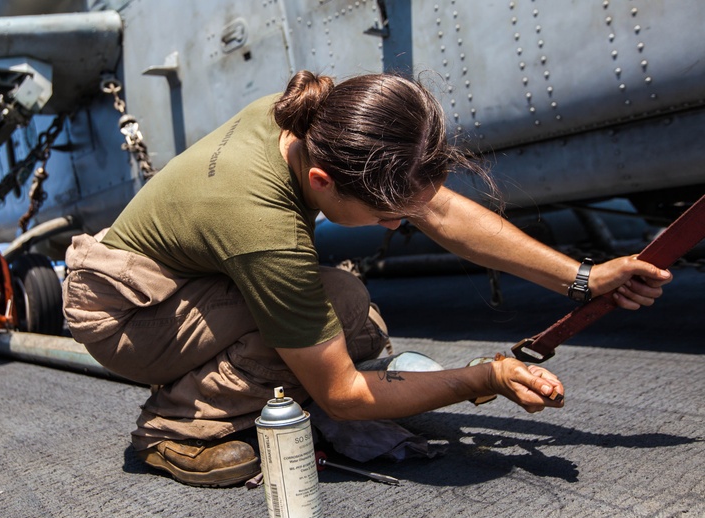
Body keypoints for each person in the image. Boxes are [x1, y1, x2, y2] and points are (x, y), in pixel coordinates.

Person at [62, 71, 672, 487]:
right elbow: (345, 398)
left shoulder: (324, 119)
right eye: (387, 218)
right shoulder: (262, 224)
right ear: (323, 182)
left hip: (184, 285)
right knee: (339, 310)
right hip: (128, 313)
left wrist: (581, 278)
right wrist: (487, 377)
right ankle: (179, 427)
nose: (395, 227)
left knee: (348, 319)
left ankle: (248, 388)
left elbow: (434, 205)